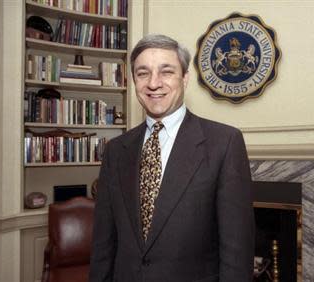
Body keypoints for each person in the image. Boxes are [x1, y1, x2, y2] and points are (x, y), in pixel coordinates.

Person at [89, 34, 255, 282]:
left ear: (185, 78)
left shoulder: (224, 143)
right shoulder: (115, 150)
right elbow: (103, 245)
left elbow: (237, 252)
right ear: (134, 80)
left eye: (166, 71)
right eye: (143, 73)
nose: (153, 83)